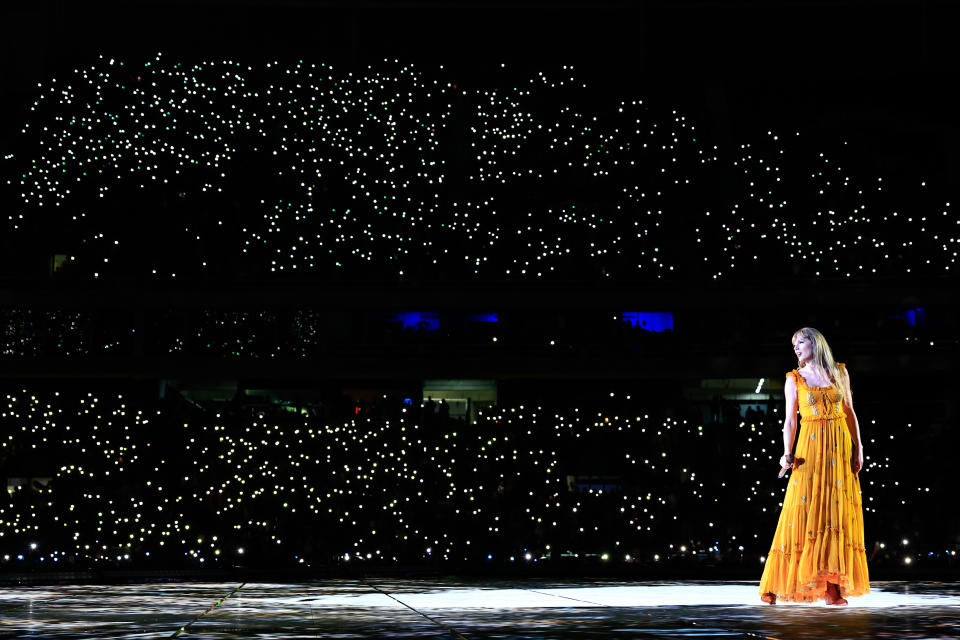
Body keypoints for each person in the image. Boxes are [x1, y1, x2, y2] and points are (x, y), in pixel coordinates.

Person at [758, 327, 870, 605]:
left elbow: (849, 412)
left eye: (801, 342)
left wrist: (859, 447)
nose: (796, 348)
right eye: (793, 344)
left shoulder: (839, 373)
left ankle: (832, 588)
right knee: (802, 512)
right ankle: (776, 583)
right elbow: (790, 421)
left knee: (836, 513)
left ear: (815, 343)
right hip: (809, 447)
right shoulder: (793, 379)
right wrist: (786, 452)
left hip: (838, 446)